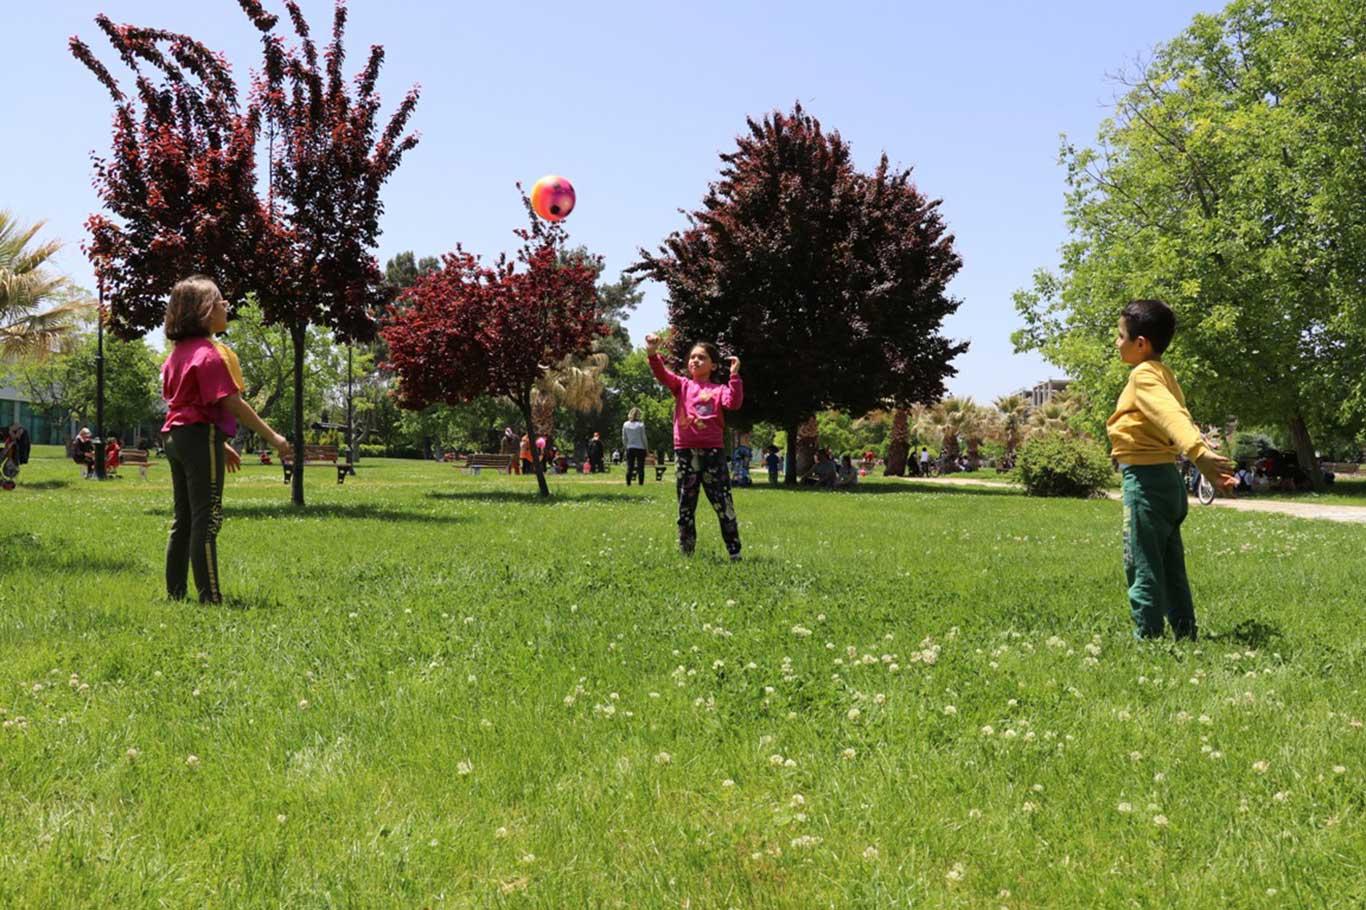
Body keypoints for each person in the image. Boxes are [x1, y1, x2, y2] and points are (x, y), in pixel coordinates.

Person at [1107, 299, 1234, 641]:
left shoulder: (1144, 375)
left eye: (1120, 336)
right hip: (1168, 482)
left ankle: (1147, 639)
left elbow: (1170, 416)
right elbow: (1180, 415)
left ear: (1140, 343)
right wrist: (1201, 453)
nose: (1116, 343)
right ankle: (1184, 632)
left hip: (1146, 483)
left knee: (1143, 563)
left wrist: (1198, 453)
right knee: (1170, 565)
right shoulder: (1165, 374)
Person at [161, 275, 291, 604]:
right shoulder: (210, 354)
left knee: (185, 519)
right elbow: (231, 402)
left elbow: (188, 405)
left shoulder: (178, 353)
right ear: (205, 311)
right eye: (221, 301)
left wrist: (218, 442)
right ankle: (211, 597)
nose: (226, 306)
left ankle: (176, 595)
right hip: (197, 435)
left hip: (177, 437)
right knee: (207, 517)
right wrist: (273, 437)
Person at [647, 333, 743, 560]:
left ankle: (735, 552)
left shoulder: (719, 390)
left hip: (713, 453)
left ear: (713, 365)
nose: (695, 361)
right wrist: (652, 352)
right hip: (685, 452)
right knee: (686, 504)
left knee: (722, 502)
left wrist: (735, 376)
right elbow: (661, 374)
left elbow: (734, 403)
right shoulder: (681, 385)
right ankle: (687, 553)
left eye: (702, 357)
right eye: (692, 357)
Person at [622, 407, 649, 486]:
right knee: (641, 467)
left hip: (630, 447)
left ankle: (628, 483)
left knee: (630, 466)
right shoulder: (640, 424)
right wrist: (647, 449)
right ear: (638, 415)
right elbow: (644, 438)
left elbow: (624, 437)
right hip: (640, 448)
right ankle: (640, 483)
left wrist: (625, 447)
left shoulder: (625, 424)